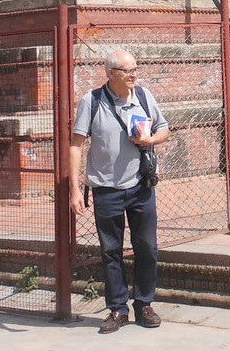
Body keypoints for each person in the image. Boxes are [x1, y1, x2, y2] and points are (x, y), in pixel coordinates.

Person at [70, 50, 170, 334]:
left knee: (147, 248)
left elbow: (164, 129)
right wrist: (75, 189)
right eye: (127, 70)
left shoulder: (144, 96)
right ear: (111, 73)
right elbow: (75, 146)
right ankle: (117, 308)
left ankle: (144, 304)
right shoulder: (91, 102)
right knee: (111, 251)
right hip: (106, 189)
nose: (133, 74)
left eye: (135, 69)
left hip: (140, 185)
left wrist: (150, 139)